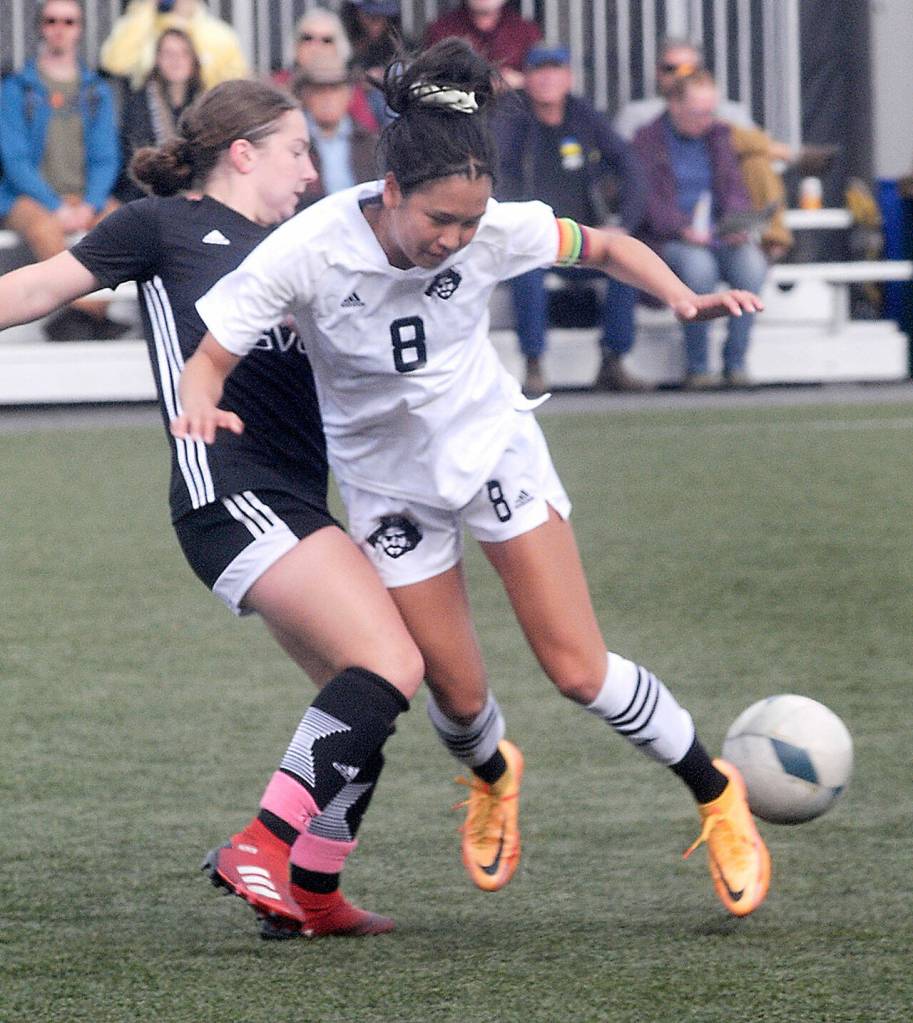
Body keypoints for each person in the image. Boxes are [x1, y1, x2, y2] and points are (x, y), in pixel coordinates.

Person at [174, 39, 771, 919]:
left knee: (576, 668)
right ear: (389, 194)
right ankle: (494, 773)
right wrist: (200, 404)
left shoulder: (494, 227)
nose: (454, 240)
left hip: (492, 453)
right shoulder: (308, 249)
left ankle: (715, 789)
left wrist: (680, 296)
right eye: (438, 222)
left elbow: (604, 244)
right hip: (389, 488)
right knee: (454, 697)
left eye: (470, 222)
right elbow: (210, 352)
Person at [0, 78, 425, 940]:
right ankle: (261, 845)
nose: (310, 170)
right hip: (228, 492)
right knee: (388, 661)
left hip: (296, 497)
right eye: (296, 151)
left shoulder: (300, 245)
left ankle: (311, 890)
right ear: (244, 152)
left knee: (358, 702)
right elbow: (37, 287)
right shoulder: (160, 225)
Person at [494, 44, 647, 396]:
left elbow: (631, 168)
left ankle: (614, 360)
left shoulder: (584, 118)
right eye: (539, 71)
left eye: (555, 70)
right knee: (526, 271)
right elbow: (495, 177)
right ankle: (534, 364)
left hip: (581, 237)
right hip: (534, 238)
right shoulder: (511, 122)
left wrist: (623, 223)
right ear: (525, 79)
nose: (547, 79)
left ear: (569, 78)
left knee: (625, 258)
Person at [633, 70, 769, 388]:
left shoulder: (719, 136)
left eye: (711, 112)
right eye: (698, 112)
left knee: (752, 266)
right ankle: (698, 366)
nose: (706, 120)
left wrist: (736, 221)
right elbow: (646, 201)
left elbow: (734, 188)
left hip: (718, 235)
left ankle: (735, 362)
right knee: (699, 269)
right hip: (669, 237)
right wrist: (682, 229)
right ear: (675, 105)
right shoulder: (647, 140)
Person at [0, 0, 125, 341]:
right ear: (41, 27)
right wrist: (56, 207)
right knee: (44, 228)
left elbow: (106, 157)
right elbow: (15, 160)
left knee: (122, 224)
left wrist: (90, 204)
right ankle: (94, 314)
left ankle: (78, 319)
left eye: (69, 22)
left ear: (79, 29)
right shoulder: (15, 89)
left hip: (84, 196)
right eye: (52, 20)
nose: (60, 28)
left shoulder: (96, 91)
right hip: (28, 199)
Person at [114, 27, 204, 203]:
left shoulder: (205, 104)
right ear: (157, 59)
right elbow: (134, 159)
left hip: (197, 196)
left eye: (183, 53)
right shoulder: (139, 103)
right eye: (168, 53)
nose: (176, 60)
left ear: (193, 60)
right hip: (146, 195)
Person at [100, 0, 248, 91]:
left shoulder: (220, 35)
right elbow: (113, 64)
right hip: (149, 126)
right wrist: (147, 9)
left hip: (203, 123)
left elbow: (235, 89)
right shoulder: (139, 24)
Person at [273, 6, 378, 133]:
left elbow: (367, 135)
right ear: (295, 45)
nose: (316, 47)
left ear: (340, 49)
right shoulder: (276, 86)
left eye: (327, 40)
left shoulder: (351, 89)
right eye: (307, 38)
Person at [292, 54, 379, 207]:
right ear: (305, 95)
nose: (328, 98)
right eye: (319, 90)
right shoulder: (293, 144)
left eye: (335, 89)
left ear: (349, 93)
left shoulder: (370, 142)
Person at [424, 0, 541, 91]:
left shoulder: (526, 31)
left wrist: (521, 81)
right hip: (459, 110)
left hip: (515, 110)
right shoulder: (442, 29)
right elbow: (431, 78)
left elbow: (543, 77)